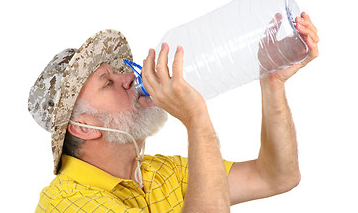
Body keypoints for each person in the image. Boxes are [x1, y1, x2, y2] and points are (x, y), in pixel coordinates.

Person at [29, 12, 319, 212]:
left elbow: (277, 176)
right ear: (84, 127)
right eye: (108, 83)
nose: (128, 78)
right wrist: (196, 119)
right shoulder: (66, 202)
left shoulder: (161, 172)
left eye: (119, 73)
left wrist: (271, 80)